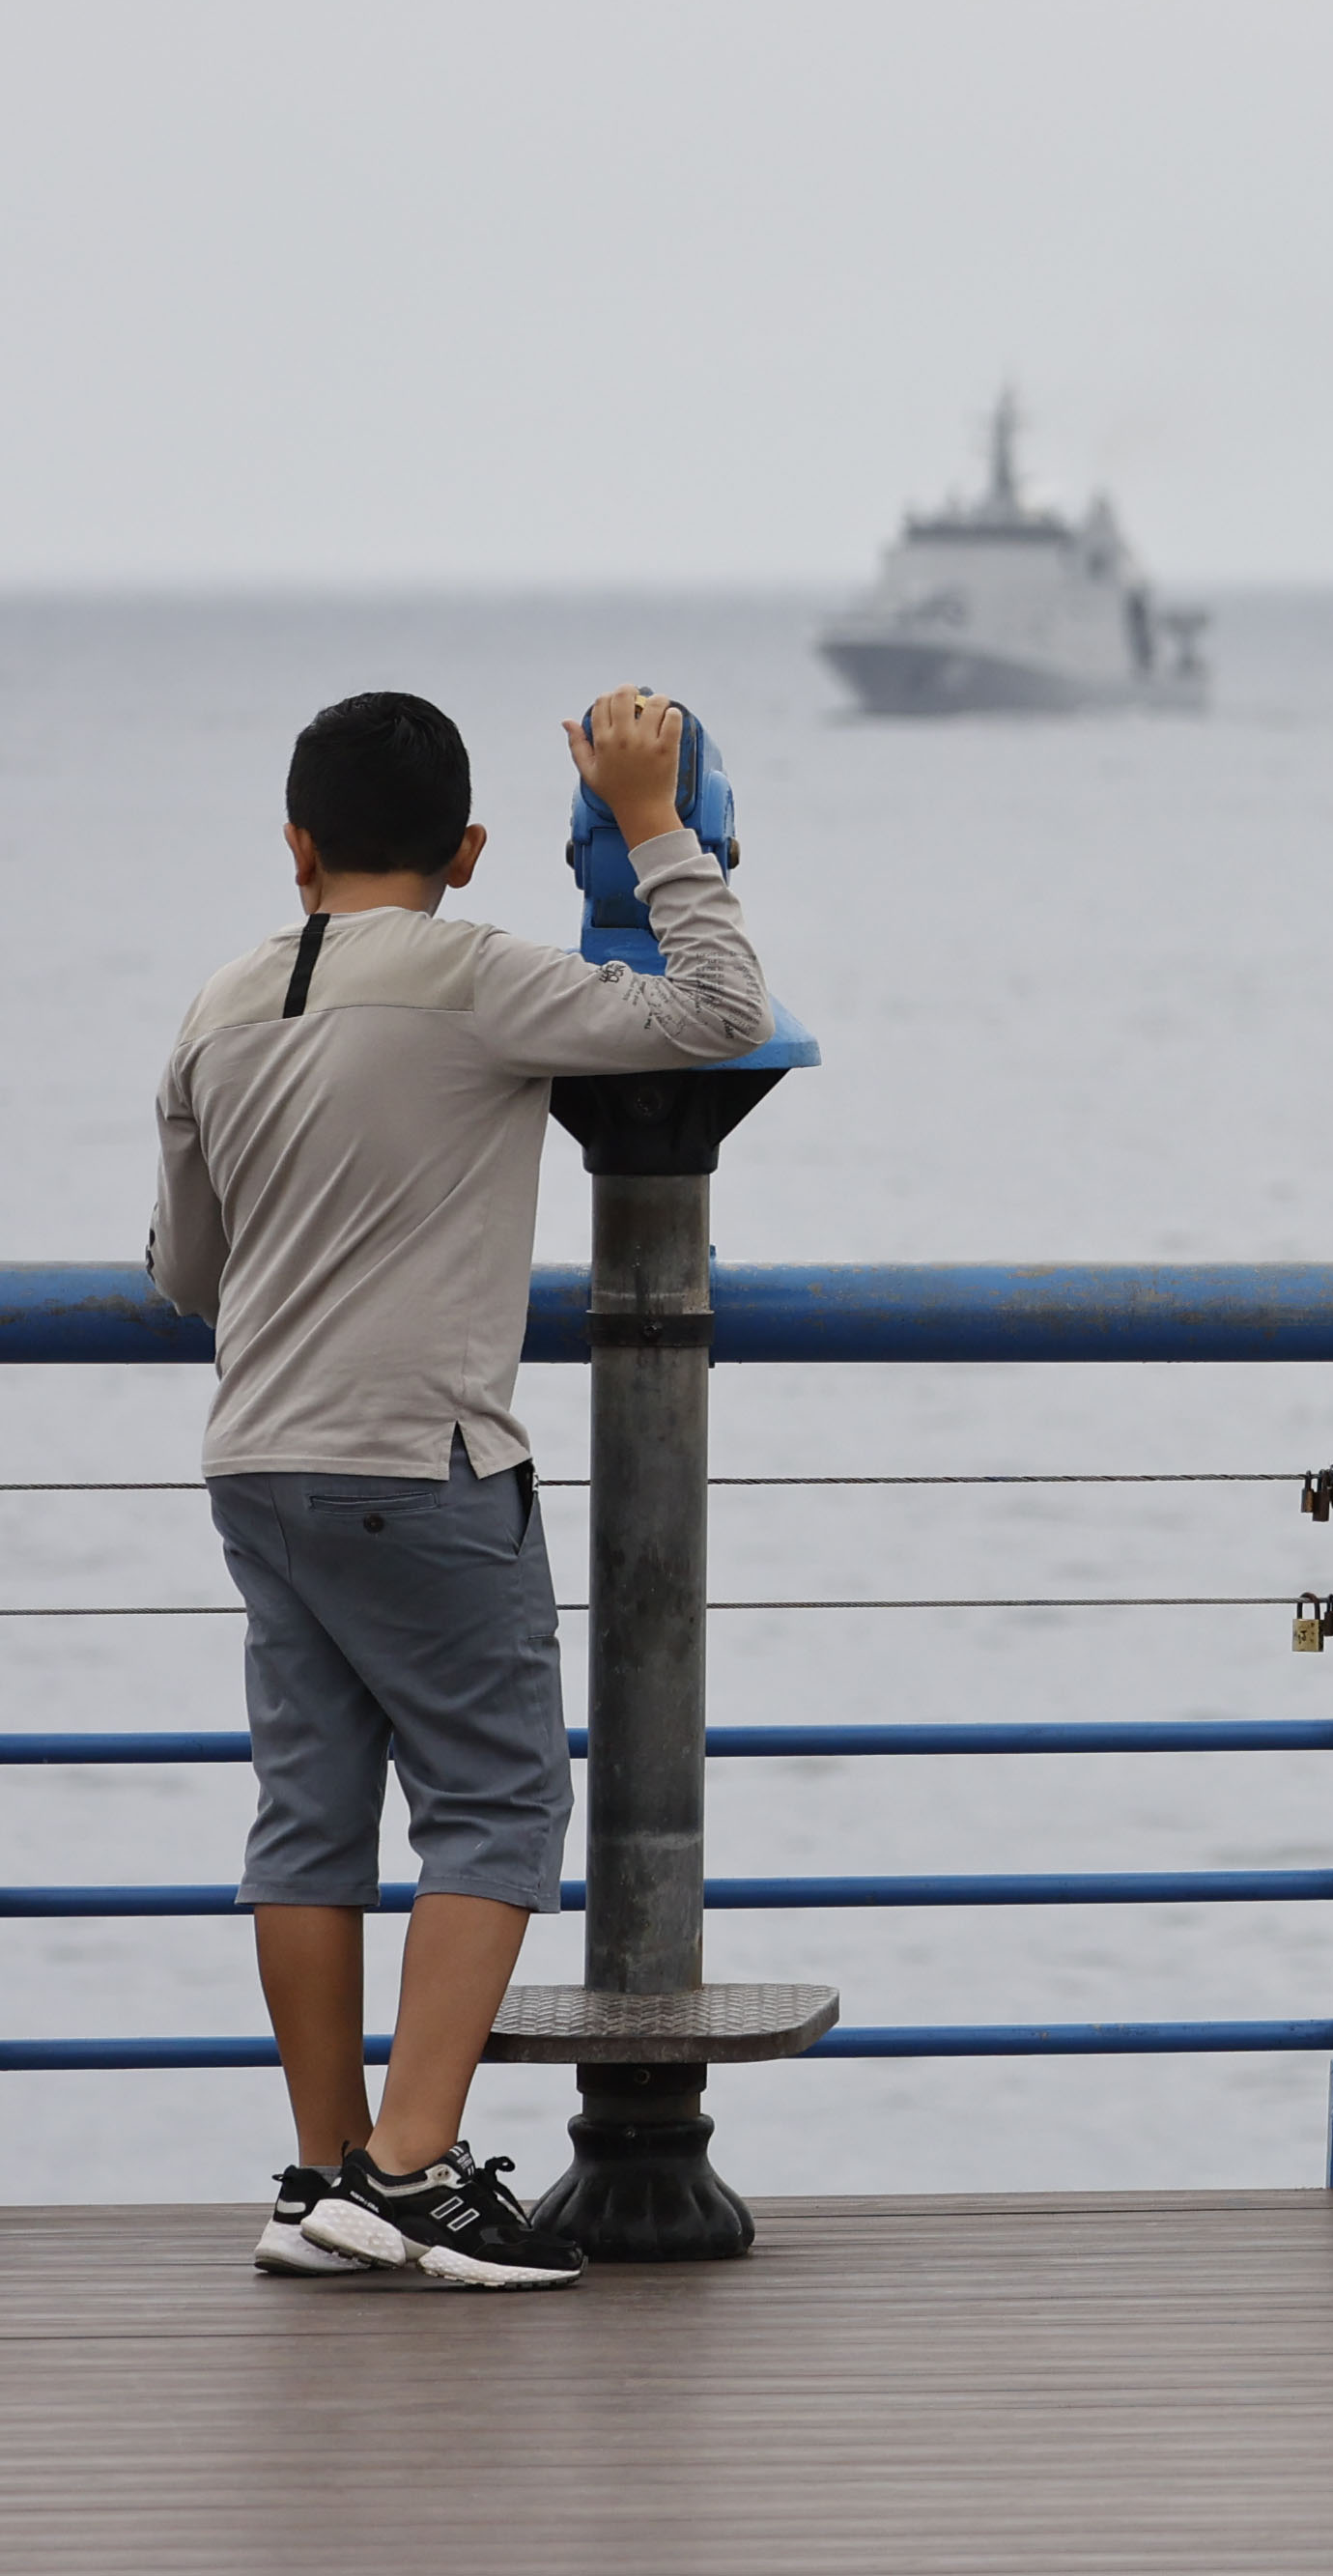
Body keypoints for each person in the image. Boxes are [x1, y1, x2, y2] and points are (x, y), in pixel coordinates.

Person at [148, 686, 775, 2289]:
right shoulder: (480, 980)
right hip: (415, 1460)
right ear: (473, 850)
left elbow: (187, 1274)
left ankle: (319, 2175)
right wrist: (655, 823)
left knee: (308, 1823)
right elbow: (717, 1012)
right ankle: (410, 2172)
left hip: (257, 1461)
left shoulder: (219, 1005)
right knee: (497, 1804)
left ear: (295, 846)